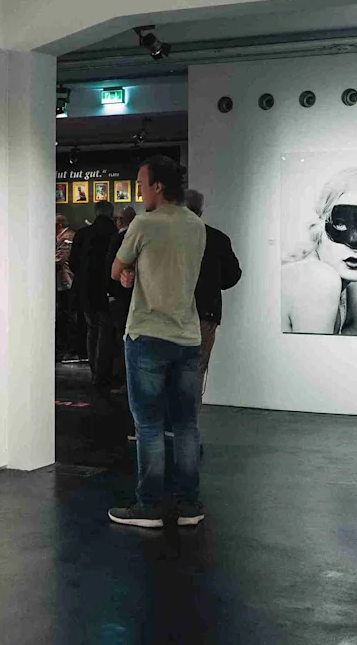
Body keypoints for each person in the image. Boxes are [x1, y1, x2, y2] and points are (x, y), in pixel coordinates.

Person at [108, 156, 206, 529]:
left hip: (148, 334)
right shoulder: (197, 225)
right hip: (187, 335)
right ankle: (189, 504)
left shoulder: (143, 224)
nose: (139, 190)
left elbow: (117, 268)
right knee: (185, 424)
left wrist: (128, 272)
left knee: (148, 424)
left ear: (158, 187)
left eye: (141, 183)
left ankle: (148, 504)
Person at [281, 167, 357, 335]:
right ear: (320, 227)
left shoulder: (347, 283)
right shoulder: (319, 279)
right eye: (341, 224)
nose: (355, 243)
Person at [185, 190, 242, 398]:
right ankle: (188, 424)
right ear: (200, 210)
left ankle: (169, 423)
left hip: (171, 313)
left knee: (169, 369)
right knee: (197, 369)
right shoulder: (217, 238)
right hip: (205, 313)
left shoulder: (167, 238)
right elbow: (233, 276)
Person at [69, 200, 118, 391]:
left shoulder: (82, 233)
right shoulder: (114, 234)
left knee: (92, 329)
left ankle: (94, 370)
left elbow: (73, 263)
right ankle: (102, 373)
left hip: (86, 289)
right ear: (111, 213)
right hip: (107, 289)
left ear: (96, 213)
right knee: (106, 331)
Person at [106, 206, 137, 389]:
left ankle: (122, 379)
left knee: (120, 341)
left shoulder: (119, 239)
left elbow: (112, 270)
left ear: (119, 220)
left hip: (120, 299)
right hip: (130, 299)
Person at [55, 214, 77, 360]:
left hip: (66, 282)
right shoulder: (65, 236)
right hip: (64, 282)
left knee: (67, 317)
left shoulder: (67, 237)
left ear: (59, 225)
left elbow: (59, 259)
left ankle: (69, 349)